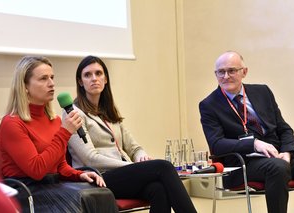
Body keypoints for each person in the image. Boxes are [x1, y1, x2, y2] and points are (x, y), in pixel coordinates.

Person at [63, 55, 197, 213]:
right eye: (87, 75)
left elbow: (134, 147)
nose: (94, 78)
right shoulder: (73, 113)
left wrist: (141, 156)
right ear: (80, 82)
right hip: (97, 177)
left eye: (98, 73)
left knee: (158, 188)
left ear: (106, 79)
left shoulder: (108, 111)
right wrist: (134, 166)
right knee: (163, 167)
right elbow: (90, 158)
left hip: (120, 175)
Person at [0, 56, 119, 213]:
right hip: (26, 190)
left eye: (52, 77)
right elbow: (37, 170)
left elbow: (60, 166)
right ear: (25, 86)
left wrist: (79, 175)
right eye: (43, 79)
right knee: (82, 197)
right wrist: (65, 132)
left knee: (102, 193)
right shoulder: (11, 123)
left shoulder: (54, 120)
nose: (51, 83)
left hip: (53, 184)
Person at [199, 50, 294, 213]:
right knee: (278, 168)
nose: (225, 76)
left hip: (278, 154)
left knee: (280, 164)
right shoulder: (209, 105)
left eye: (231, 70)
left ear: (244, 72)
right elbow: (217, 144)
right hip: (242, 163)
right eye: (220, 72)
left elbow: (284, 128)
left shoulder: (262, 92)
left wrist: (287, 152)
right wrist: (253, 144)